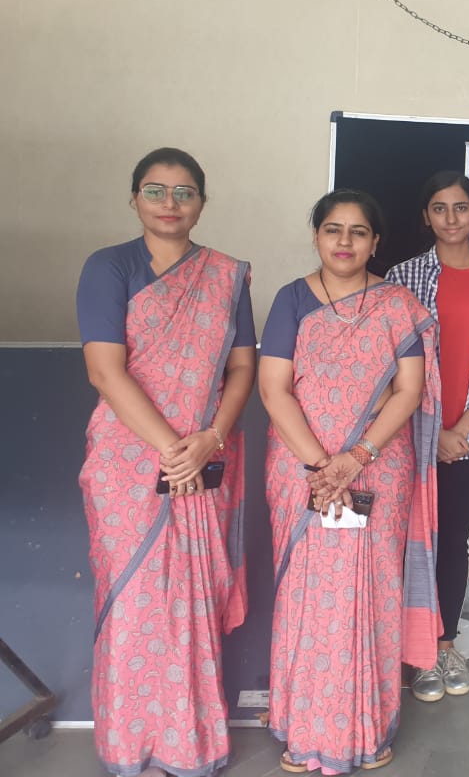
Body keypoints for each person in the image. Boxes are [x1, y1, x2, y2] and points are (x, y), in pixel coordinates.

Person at [77, 147, 256, 777]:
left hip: (203, 458)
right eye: (155, 190)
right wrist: (173, 449)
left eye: (185, 192)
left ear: (202, 203)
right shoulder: (109, 267)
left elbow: (241, 367)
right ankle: (132, 747)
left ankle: (189, 744)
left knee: (191, 604)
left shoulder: (227, 275)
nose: (170, 203)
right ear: (134, 199)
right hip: (126, 463)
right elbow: (105, 370)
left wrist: (210, 438)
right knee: (134, 602)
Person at [259, 189, 442, 774]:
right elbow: (273, 389)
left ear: (375, 242)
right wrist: (323, 466)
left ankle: (365, 727)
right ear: (316, 236)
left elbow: (409, 390)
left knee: (369, 591)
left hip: (375, 469)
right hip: (303, 470)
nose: (344, 241)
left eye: (358, 231)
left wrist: (355, 459)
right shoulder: (291, 300)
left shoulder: (398, 305)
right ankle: (305, 728)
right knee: (308, 595)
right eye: (332, 229)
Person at [385, 171, 469, 702]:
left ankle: (443, 645)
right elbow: (390, 362)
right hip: (407, 434)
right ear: (426, 217)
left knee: (452, 542)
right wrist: (430, 430)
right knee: (405, 542)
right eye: (439, 208)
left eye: (460, 207)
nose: (451, 218)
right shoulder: (401, 278)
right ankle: (408, 650)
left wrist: (458, 429)